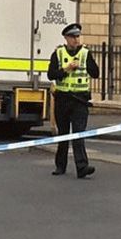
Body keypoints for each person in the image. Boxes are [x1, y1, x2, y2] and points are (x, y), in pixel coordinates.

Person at [46, 22, 100, 178]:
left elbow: (95, 73)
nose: (75, 40)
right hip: (63, 99)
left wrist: (90, 61)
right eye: (72, 37)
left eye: (77, 36)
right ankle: (60, 166)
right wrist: (66, 69)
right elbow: (51, 75)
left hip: (80, 101)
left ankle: (82, 167)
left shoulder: (84, 53)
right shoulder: (58, 53)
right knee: (63, 134)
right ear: (66, 38)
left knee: (78, 134)